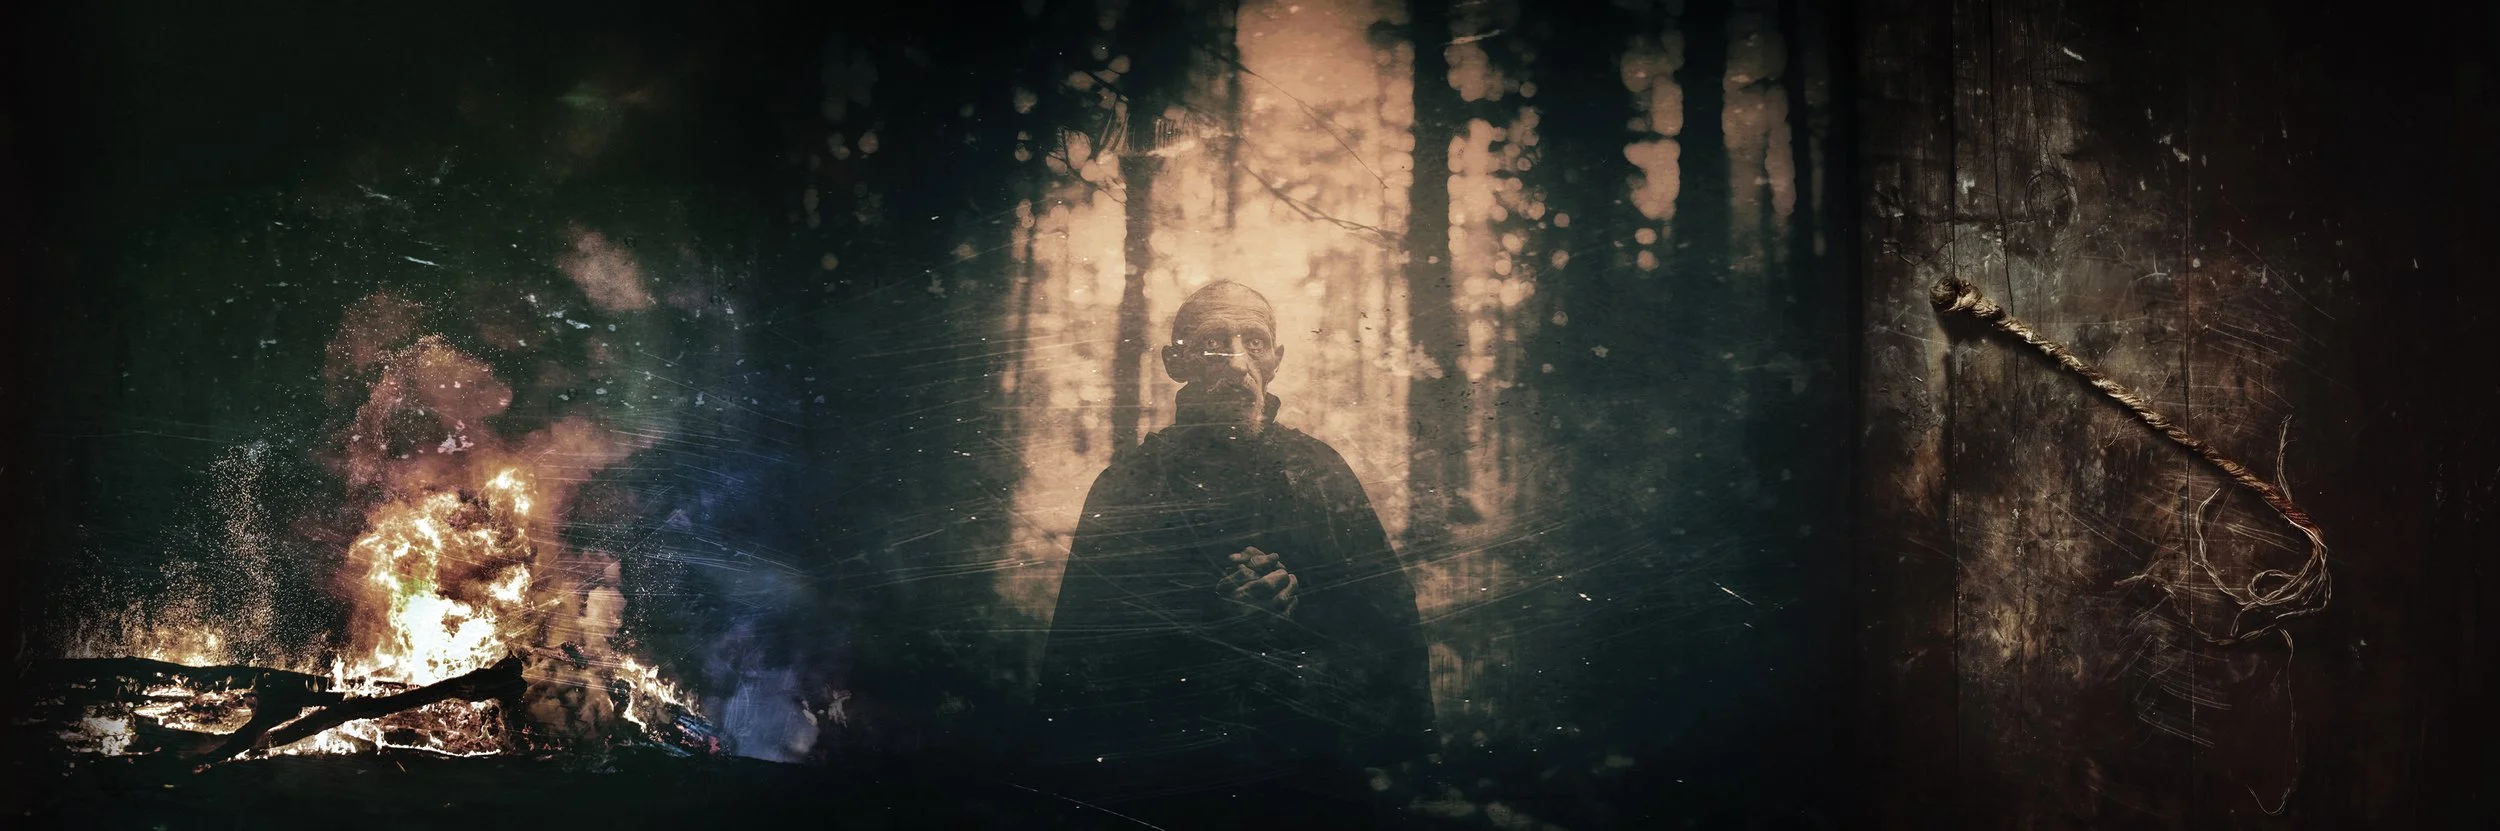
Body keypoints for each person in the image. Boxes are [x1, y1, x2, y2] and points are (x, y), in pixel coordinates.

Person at [1033, 281, 1434, 826]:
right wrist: (1210, 620)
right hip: (1165, 776)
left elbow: (1388, 626)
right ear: (1176, 361)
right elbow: (1083, 656)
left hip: (1307, 772)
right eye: (1213, 342)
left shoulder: (1319, 471)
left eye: (1255, 342)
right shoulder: (1127, 485)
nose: (1238, 362)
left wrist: (1296, 609)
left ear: (1276, 360)